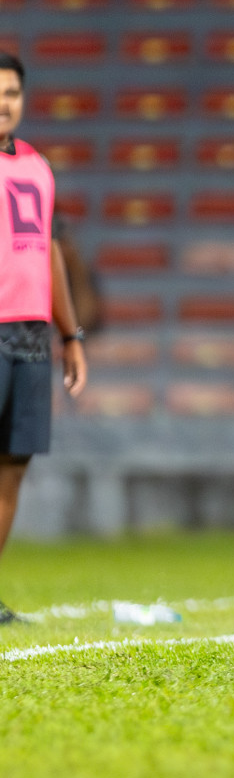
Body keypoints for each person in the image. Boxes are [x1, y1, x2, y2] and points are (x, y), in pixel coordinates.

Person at [0, 52, 88, 624]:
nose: (3, 104)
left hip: (31, 335)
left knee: (13, 465)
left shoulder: (37, 166)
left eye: (10, 93)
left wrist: (71, 333)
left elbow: (48, 252)